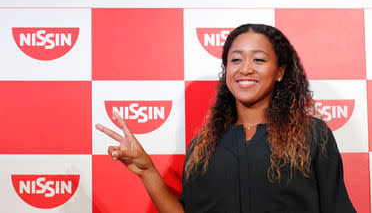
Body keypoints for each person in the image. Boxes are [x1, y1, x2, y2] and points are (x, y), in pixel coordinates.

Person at [96, 24, 356, 213]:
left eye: (258, 59)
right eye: (235, 60)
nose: (245, 68)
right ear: (227, 71)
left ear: (280, 72)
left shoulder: (311, 134)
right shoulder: (202, 146)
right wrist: (148, 172)